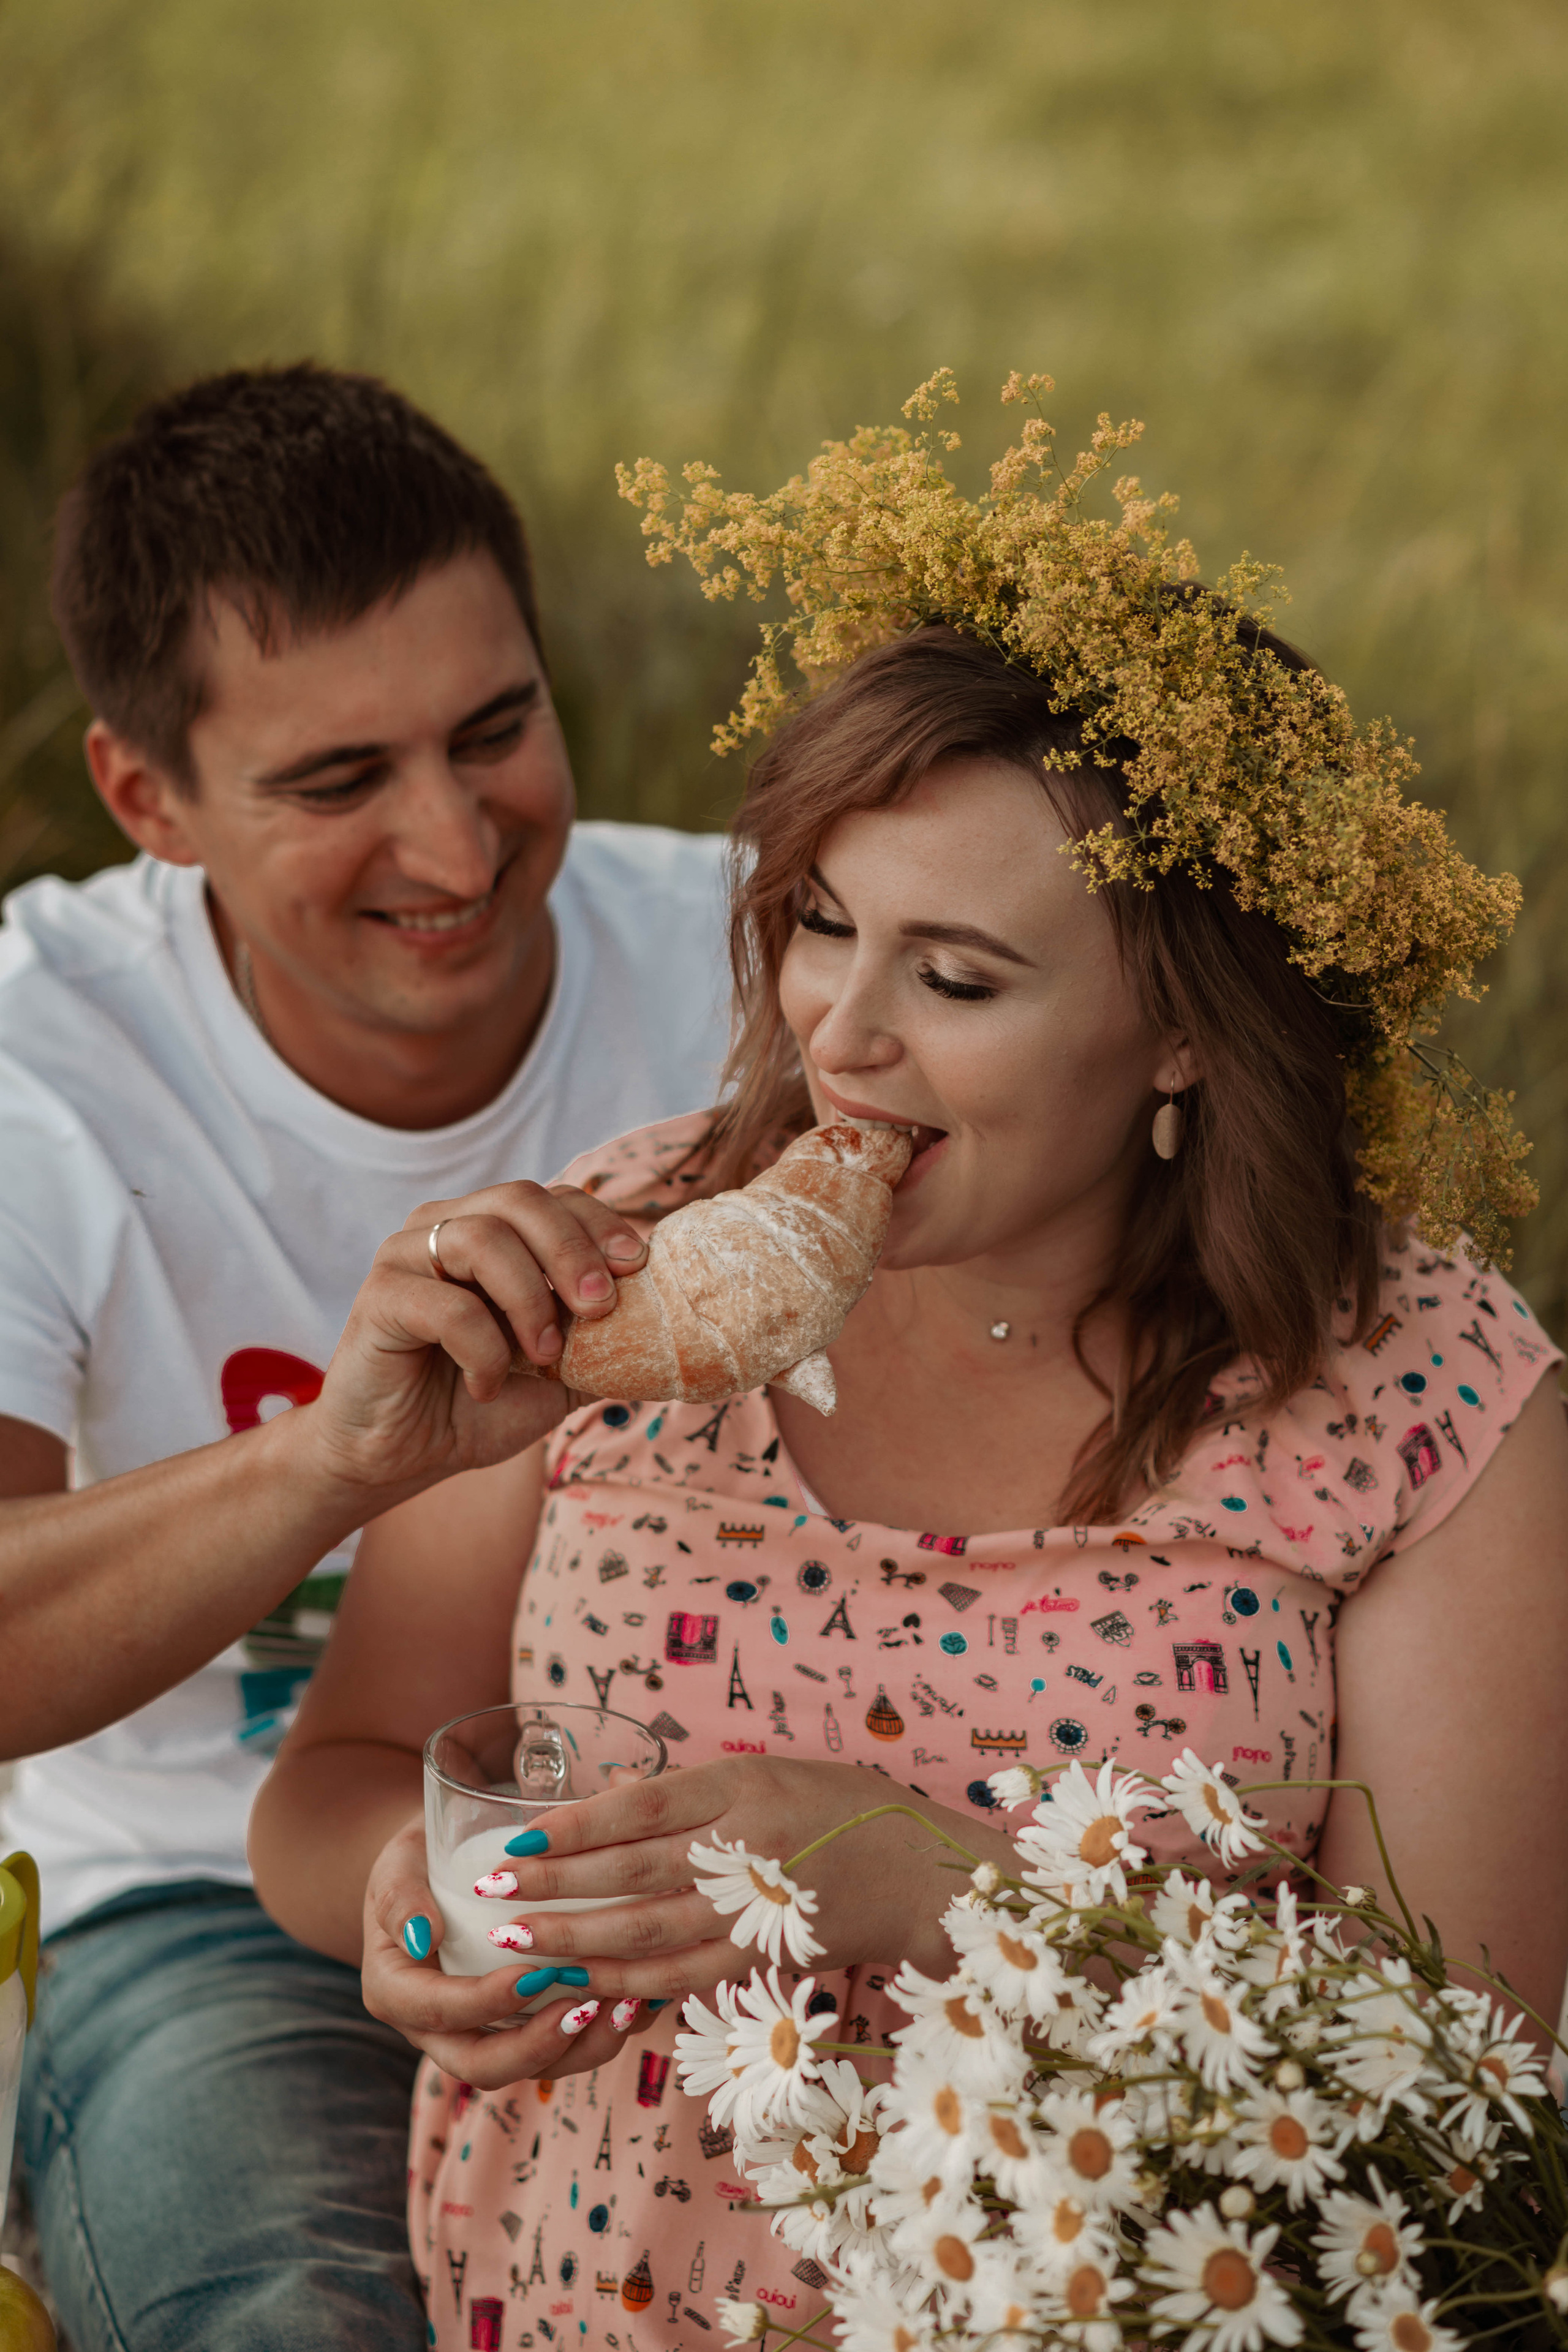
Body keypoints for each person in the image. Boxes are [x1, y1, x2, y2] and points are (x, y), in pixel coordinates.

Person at [251, 617, 1568, 2339]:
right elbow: (336, 1776)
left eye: (954, 979)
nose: (842, 1039)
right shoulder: (617, 1267)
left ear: (1181, 1033)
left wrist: (942, 1887)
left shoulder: (1421, 1395)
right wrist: (402, 1893)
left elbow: (1460, 2092)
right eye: (821, 926)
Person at [0, 364, 733, 2351]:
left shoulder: (770, 965)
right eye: (339, 784)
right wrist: (340, 1459)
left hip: (717, 1857)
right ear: (147, 800)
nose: (461, 841)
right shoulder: (32, 1068)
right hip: (193, 1919)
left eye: (497, 733)